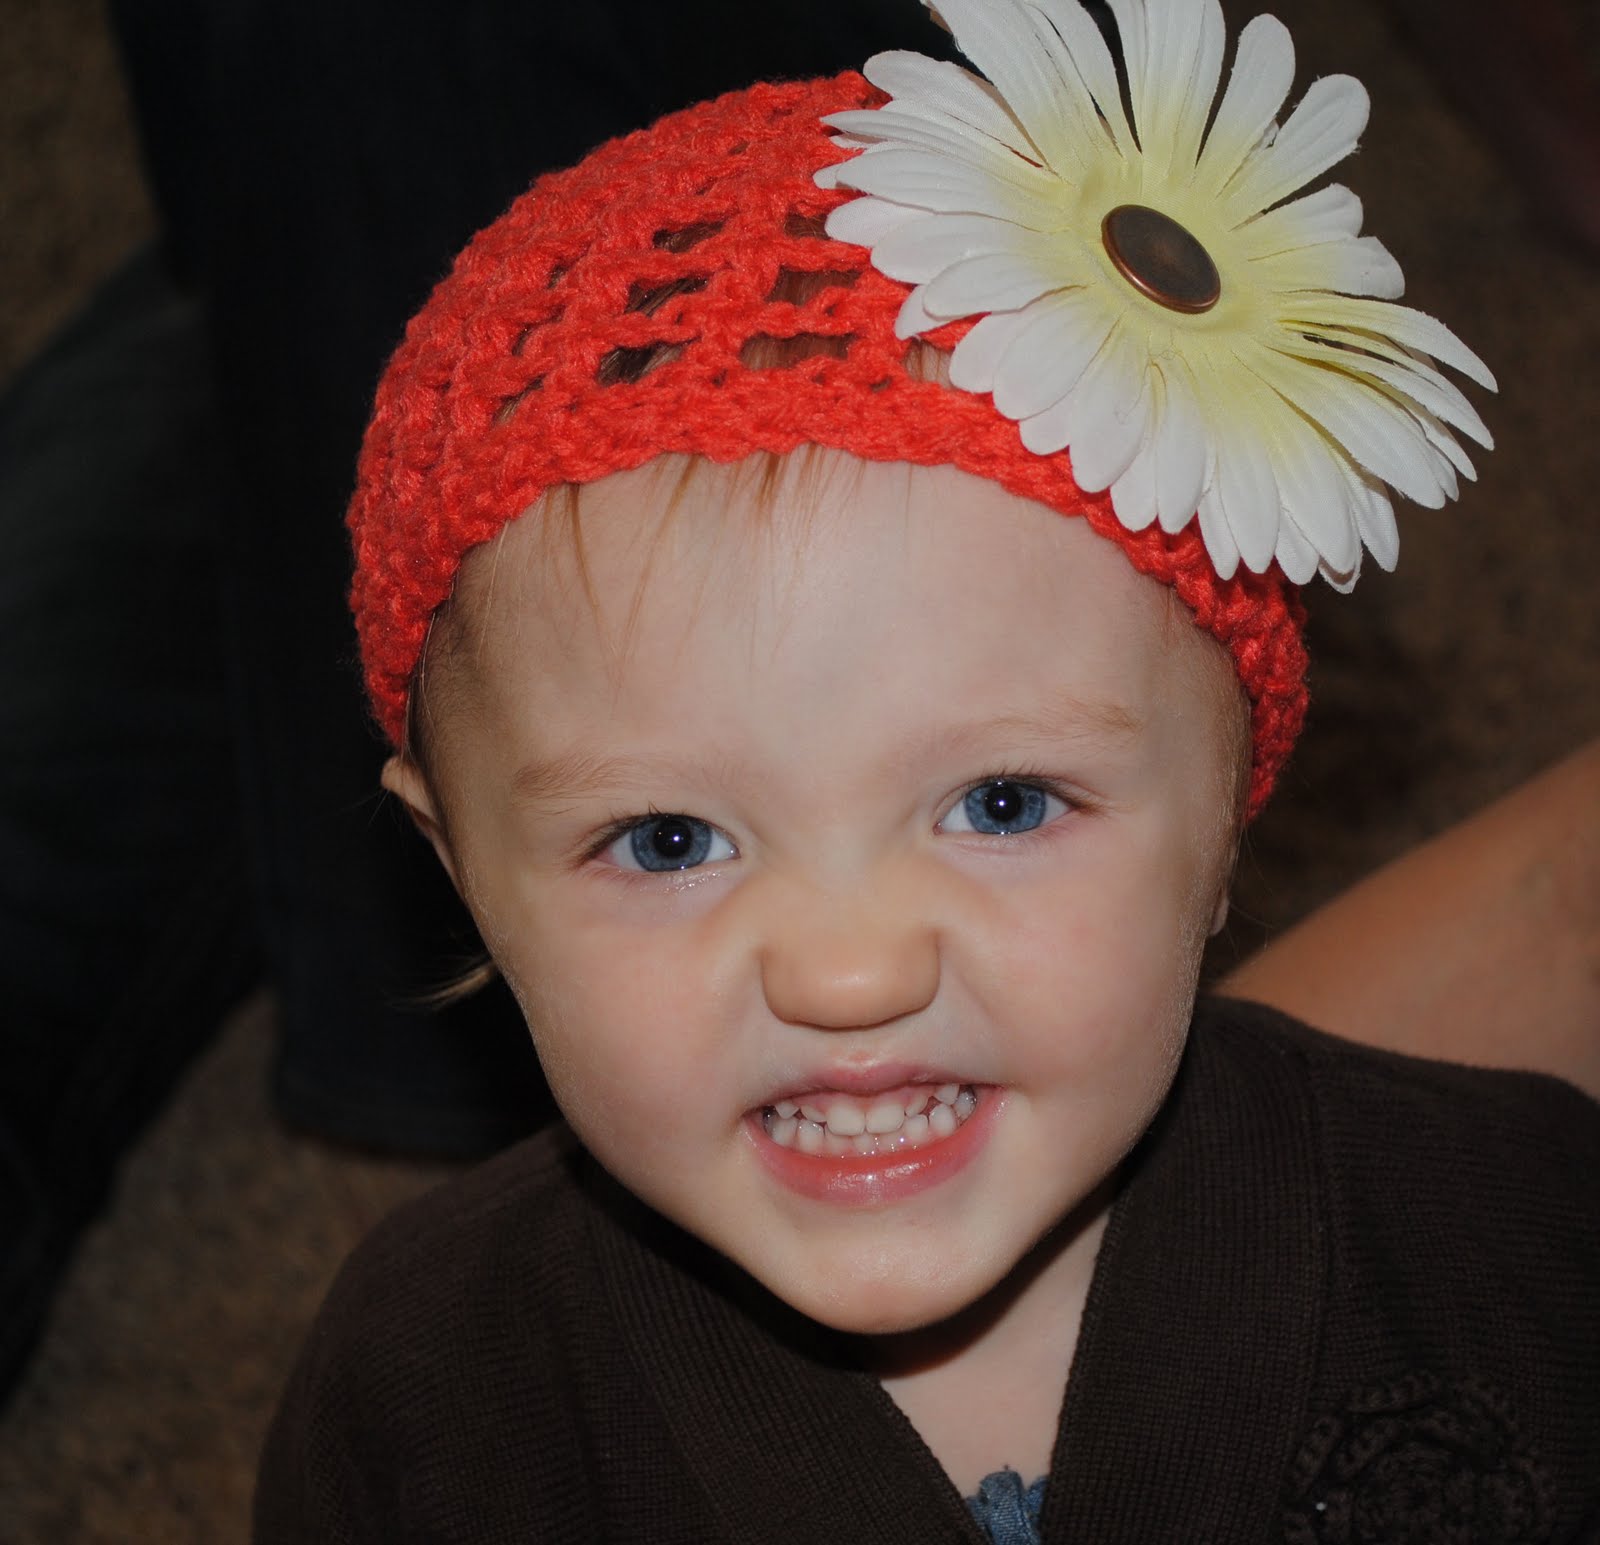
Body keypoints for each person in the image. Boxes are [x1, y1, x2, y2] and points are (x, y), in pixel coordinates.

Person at [253, 0, 1600, 1537]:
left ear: (1231, 808)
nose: (849, 971)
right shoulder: (428, 1406)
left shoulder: (1528, 1240)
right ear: (461, 873)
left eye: (1003, 803)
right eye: (671, 840)